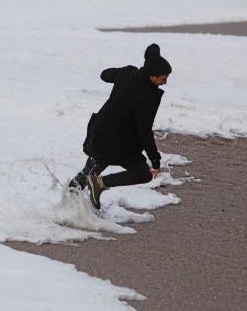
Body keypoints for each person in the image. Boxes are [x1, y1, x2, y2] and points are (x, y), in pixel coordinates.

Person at [71, 43, 172, 209]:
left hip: (99, 134)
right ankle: (101, 184)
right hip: (119, 145)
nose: (165, 82)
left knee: (87, 174)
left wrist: (120, 74)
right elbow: (144, 130)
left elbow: (105, 75)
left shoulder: (128, 73)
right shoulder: (145, 96)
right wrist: (154, 158)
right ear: (153, 76)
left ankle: (68, 206)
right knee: (143, 174)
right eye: (163, 78)